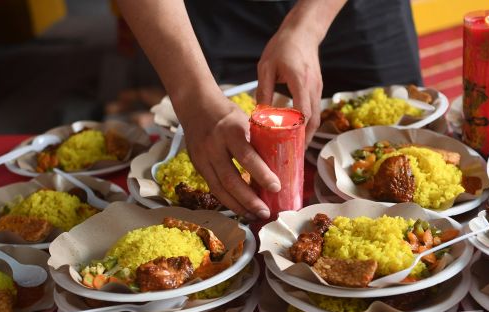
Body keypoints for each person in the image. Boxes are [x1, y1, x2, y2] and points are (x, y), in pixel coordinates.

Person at [116, 0, 422, 220]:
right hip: (220, 15)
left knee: (395, 162)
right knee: (222, 171)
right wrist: (194, 97)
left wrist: (307, 25)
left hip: (360, 12)